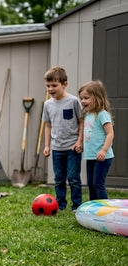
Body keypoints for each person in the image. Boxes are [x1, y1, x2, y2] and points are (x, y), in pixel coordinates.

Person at [42, 66, 83, 211]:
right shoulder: (47, 104)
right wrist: (47, 146)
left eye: (54, 85)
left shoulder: (73, 101)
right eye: (48, 86)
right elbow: (48, 125)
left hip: (72, 147)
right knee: (59, 179)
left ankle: (77, 205)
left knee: (73, 178)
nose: (51, 89)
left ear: (64, 84)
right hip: (57, 148)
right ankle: (60, 205)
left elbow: (81, 121)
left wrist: (79, 141)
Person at [79, 80, 114, 200]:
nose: (83, 101)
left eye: (86, 98)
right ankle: (94, 210)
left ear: (97, 98)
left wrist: (104, 150)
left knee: (98, 184)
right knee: (91, 183)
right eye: (81, 98)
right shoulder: (87, 114)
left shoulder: (102, 114)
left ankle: (104, 210)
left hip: (103, 157)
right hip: (91, 156)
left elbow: (110, 133)